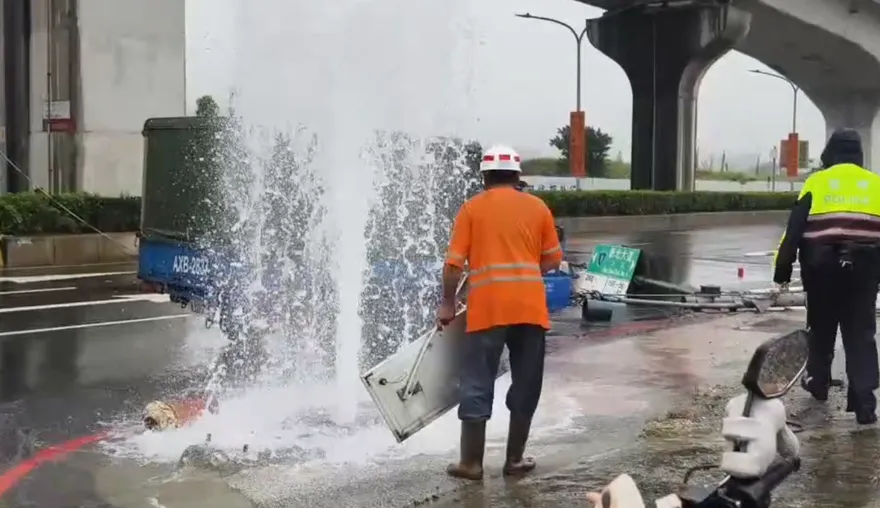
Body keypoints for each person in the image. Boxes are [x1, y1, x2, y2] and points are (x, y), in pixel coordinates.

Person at [436, 144, 563, 480]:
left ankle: (471, 464)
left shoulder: (471, 209)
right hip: (530, 309)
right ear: (517, 175)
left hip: (487, 310)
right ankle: (515, 460)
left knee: (477, 380)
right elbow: (552, 259)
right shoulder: (538, 208)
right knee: (526, 382)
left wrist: (448, 303)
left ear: (484, 176)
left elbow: (453, 265)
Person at [773, 128, 880, 424]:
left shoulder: (816, 182)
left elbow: (794, 228)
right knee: (861, 334)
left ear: (830, 152)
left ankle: (818, 383)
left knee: (820, 328)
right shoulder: (875, 184)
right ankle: (865, 404)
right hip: (864, 271)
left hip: (821, 270)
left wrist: (782, 269)